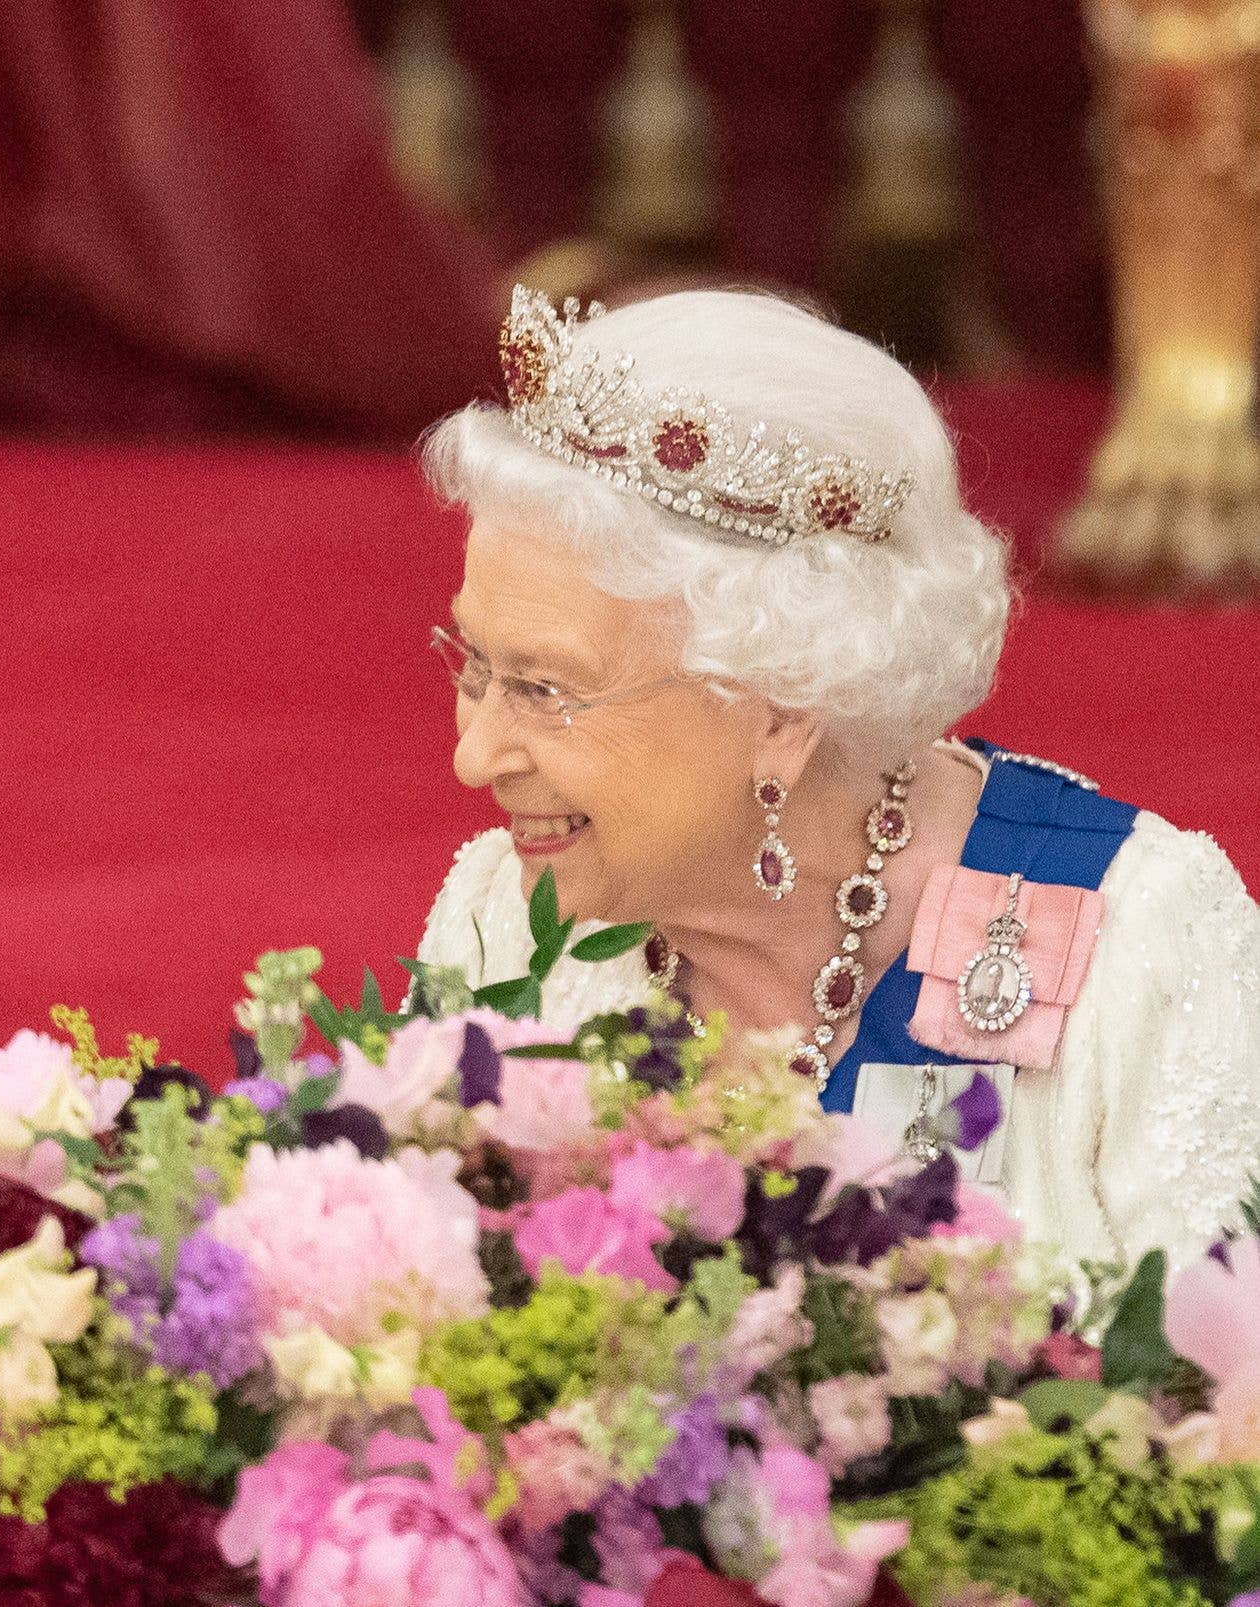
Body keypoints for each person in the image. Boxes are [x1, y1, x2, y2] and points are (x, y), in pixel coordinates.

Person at [415, 286, 1260, 1267]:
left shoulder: (1136, 940)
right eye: (474, 664)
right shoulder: (504, 917)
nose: (474, 754)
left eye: (543, 687)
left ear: (778, 706)